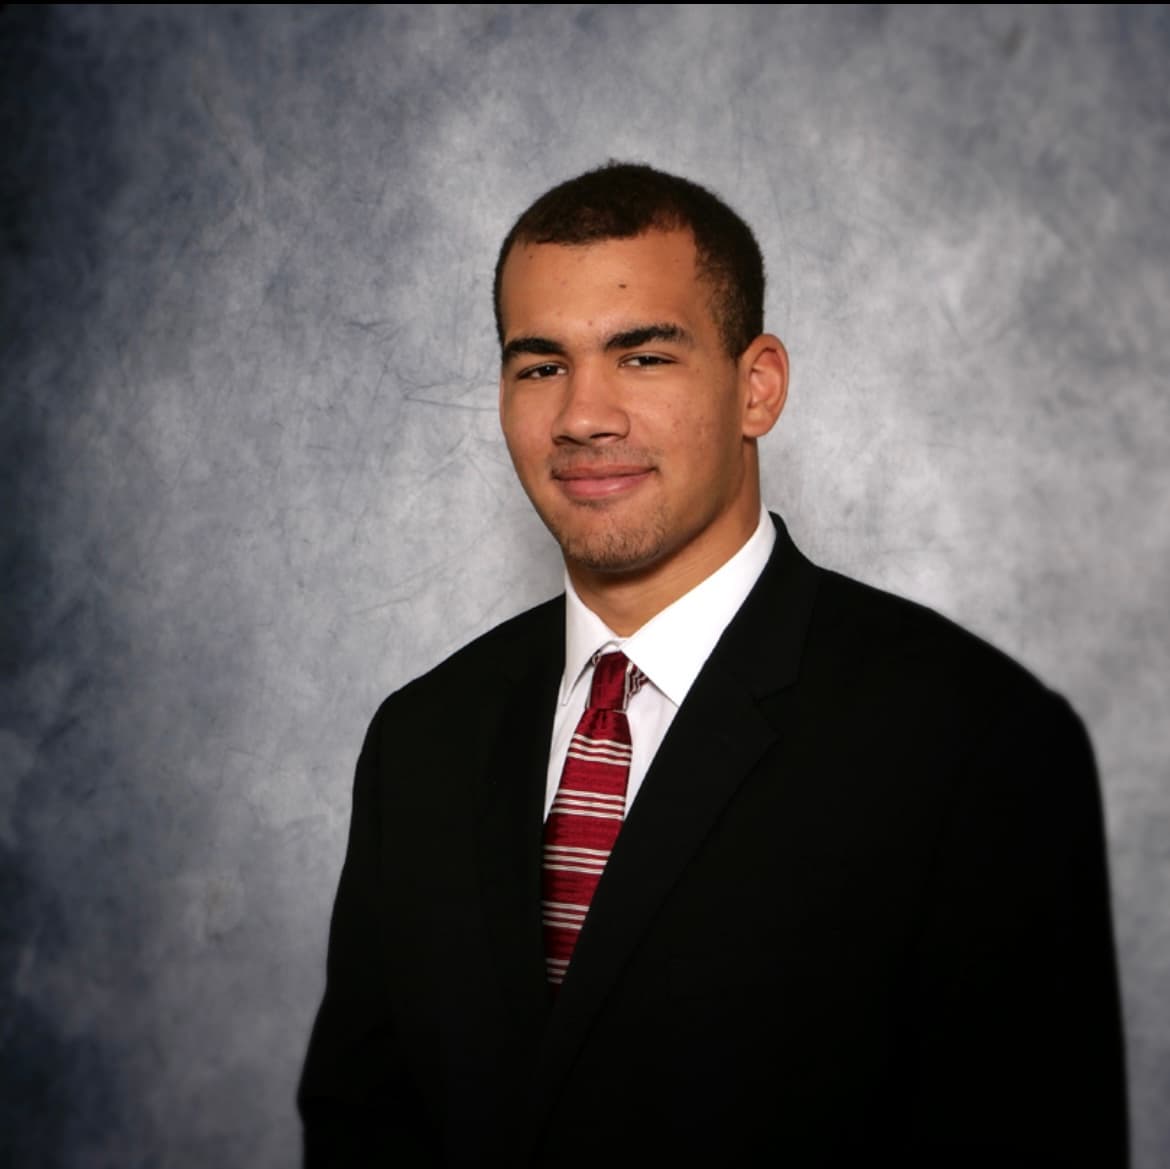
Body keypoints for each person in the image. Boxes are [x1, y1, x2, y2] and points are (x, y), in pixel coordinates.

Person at [298, 162, 1128, 1167]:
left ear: (757, 386)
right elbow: (362, 1128)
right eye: (540, 364)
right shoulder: (421, 738)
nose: (583, 415)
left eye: (643, 357)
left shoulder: (974, 743)